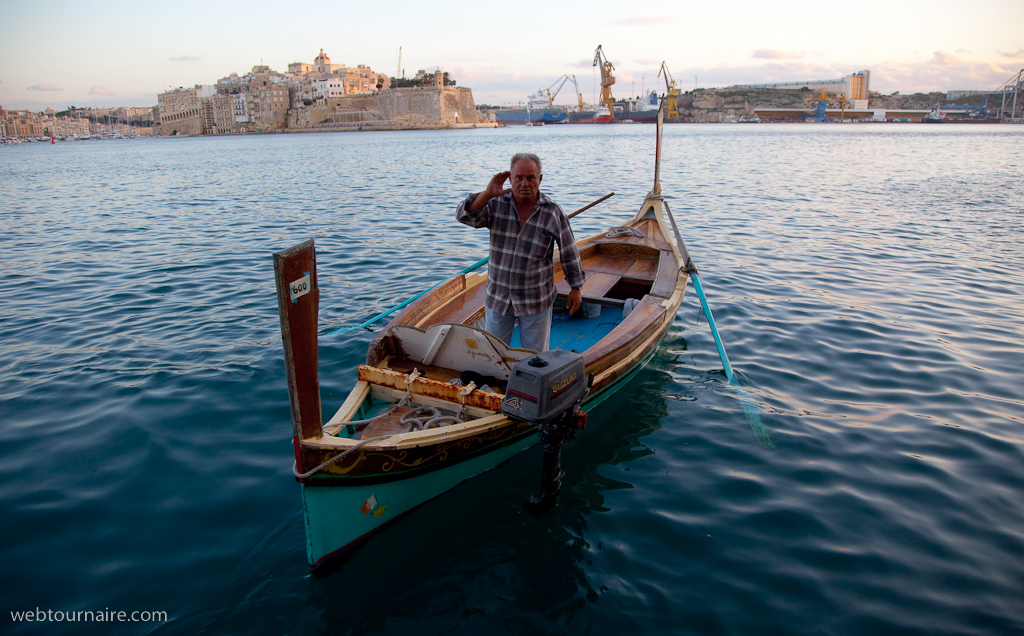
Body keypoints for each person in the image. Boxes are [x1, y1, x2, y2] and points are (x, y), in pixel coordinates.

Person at [456, 153, 585, 351]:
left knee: (534, 359)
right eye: (519, 178)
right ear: (510, 179)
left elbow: (569, 251)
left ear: (540, 179)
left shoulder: (552, 212)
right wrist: (488, 193)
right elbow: (464, 215)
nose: (525, 183)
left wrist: (576, 288)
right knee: (493, 356)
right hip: (499, 299)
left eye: (531, 177)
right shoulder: (495, 204)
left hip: (536, 301)